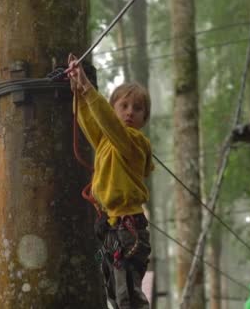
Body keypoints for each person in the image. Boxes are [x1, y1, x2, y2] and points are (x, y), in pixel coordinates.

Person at [67, 54, 154, 309]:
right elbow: (90, 122)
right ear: (114, 108)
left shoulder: (134, 143)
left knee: (128, 294)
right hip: (110, 227)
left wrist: (88, 88)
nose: (129, 113)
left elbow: (107, 123)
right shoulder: (107, 142)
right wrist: (79, 93)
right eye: (124, 106)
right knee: (114, 292)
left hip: (130, 229)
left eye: (137, 109)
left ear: (144, 119)